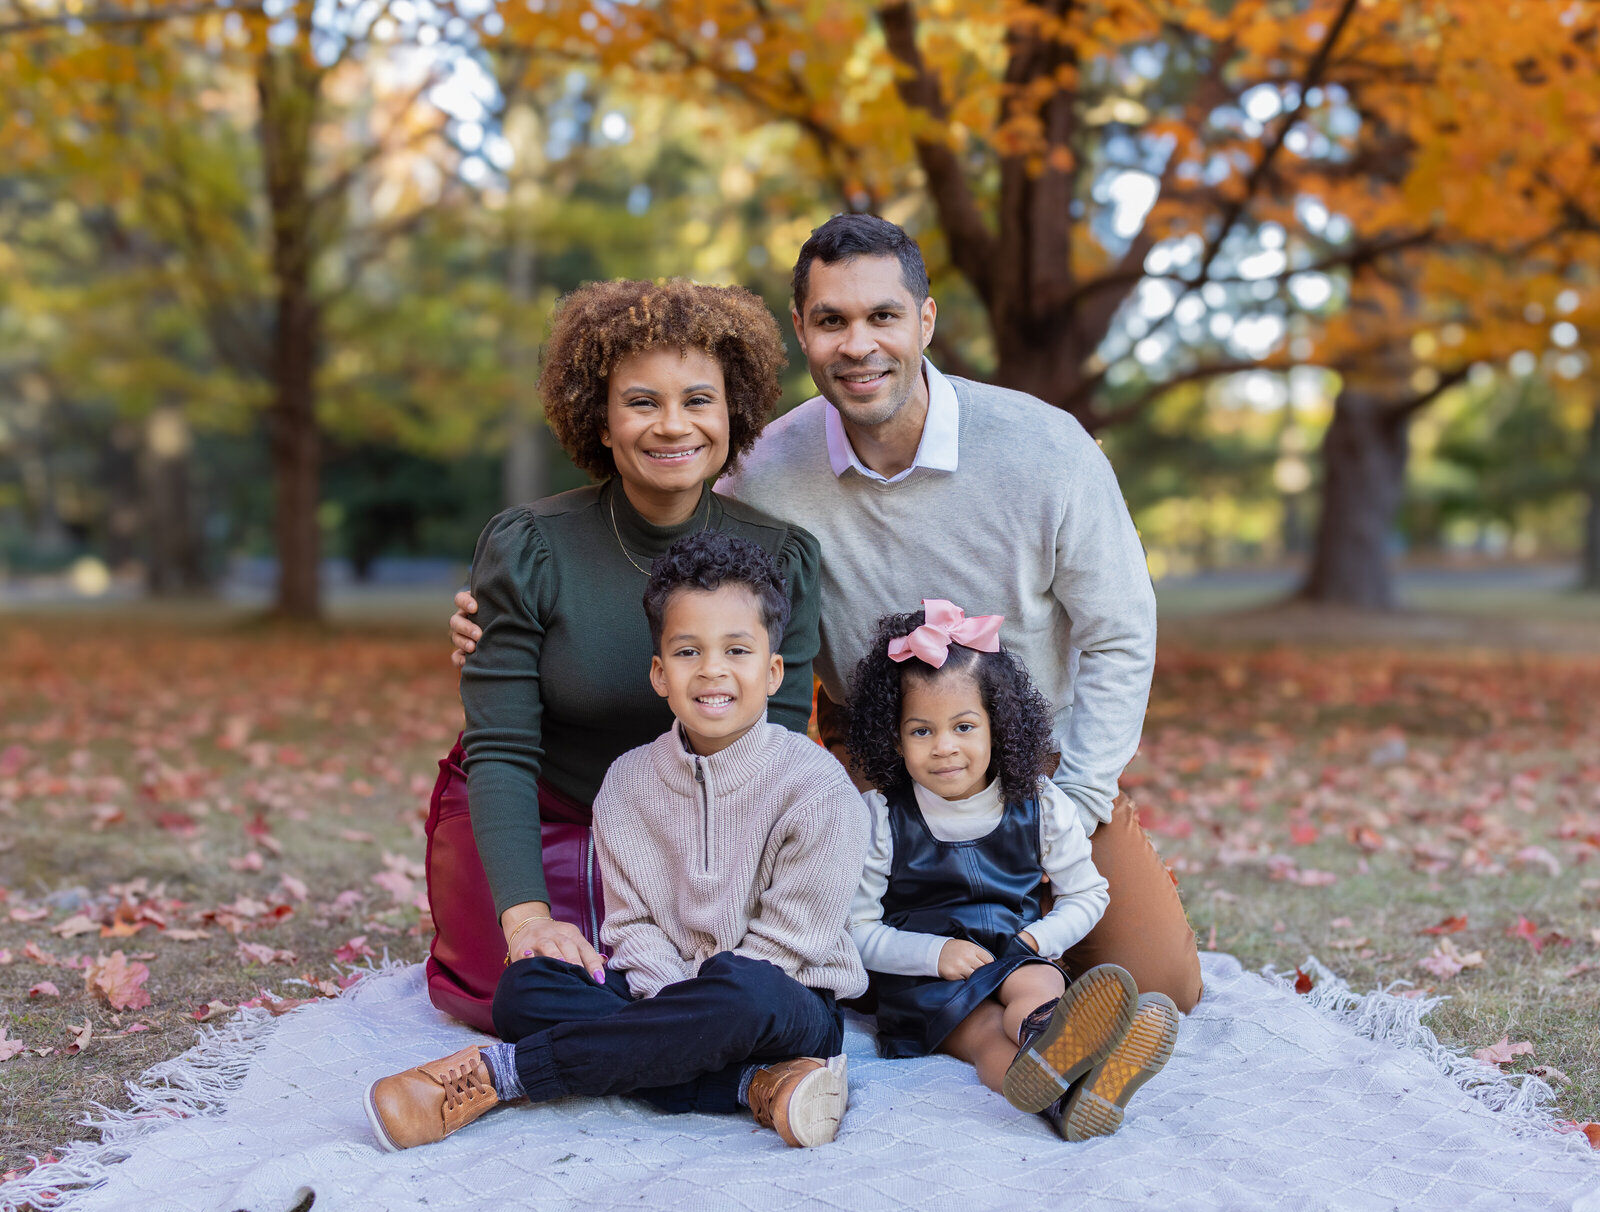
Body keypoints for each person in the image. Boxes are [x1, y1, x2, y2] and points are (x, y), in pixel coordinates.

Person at [452, 216, 1203, 1013]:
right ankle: (1008, 1009)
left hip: (1031, 759)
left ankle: (1024, 979)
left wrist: (1078, 802)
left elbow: (1120, 633)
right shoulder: (764, 468)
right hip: (873, 762)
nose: (858, 344)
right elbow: (682, 551)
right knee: (860, 973)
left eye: (882, 316)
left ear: (926, 320)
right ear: (802, 330)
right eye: (831, 320)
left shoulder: (1046, 450)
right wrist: (494, 615)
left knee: (1159, 985)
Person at [365, 533, 868, 1150]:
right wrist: (676, 1013)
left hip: (783, 1005)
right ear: (660, 673)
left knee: (746, 990)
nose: (712, 669)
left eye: (737, 650)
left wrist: (691, 1013)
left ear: (773, 671)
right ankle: (755, 1087)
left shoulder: (817, 786)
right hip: (662, 989)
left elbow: (794, 944)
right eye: (688, 651)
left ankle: (508, 1074)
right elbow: (632, 927)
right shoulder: (629, 784)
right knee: (526, 989)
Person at [428, 279, 823, 1033]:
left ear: (731, 413)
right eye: (642, 401)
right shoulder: (529, 548)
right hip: (545, 816)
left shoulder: (782, 557)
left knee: (712, 982)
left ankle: (648, 1056)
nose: (672, 425)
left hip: (699, 834)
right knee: (528, 989)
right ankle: (715, 1061)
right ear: (600, 421)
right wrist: (525, 919)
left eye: (698, 400)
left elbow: (773, 756)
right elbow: (502, 750)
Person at [845, 602, 1179, 1140]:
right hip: (927, 981)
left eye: (964, 726)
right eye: (921, 731)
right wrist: (933, 954)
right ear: (894, 738)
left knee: (1040, 982)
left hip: (1014, 952)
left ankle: (1062, 1054)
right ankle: (1067, 1094)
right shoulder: (883, 817)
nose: (945, 746)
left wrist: (1035, 937)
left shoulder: (1041, 804)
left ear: (997, 727)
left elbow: (1088, 895)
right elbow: (857, 931)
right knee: (982, 1039)